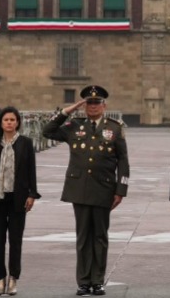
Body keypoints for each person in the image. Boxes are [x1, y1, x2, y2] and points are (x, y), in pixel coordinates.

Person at [42, 85, 130, 297]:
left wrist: (121, 190)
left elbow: (123, 161)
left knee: (100, 236)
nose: (92, 106)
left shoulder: (115, 128)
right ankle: (83, 282)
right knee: (83, 237)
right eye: (89, 103)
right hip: (79, 188)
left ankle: (97, 281)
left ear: (104, 105)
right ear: (84, 106)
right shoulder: (74, 125)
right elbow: (47, 131)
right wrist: (67, 111)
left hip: (104, 189)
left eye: (96, 103)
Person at [0, 106, 40, 296]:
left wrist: (32, 194)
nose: (9, 123)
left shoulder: (25, 143)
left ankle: (13, 277)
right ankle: (0, 278)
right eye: (6, 120)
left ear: (18, 122)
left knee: (15, 241)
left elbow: (31, 171)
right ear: (0, 122)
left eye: (12, 120)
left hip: (18, 199)